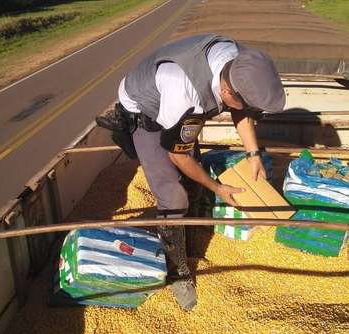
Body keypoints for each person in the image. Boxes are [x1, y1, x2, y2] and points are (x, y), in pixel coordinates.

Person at [96, 34, 285, 311]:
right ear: (228, 93)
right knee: (173, 198)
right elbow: (178, 154)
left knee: (193, 183)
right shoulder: (185, 93)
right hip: (145, 111)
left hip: (178, 109)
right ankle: (177, 271)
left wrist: (253, 154)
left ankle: (190, 233)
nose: (246, 109)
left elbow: (241, 111)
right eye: (243, 102)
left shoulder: (242, 61)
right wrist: (218, 188)